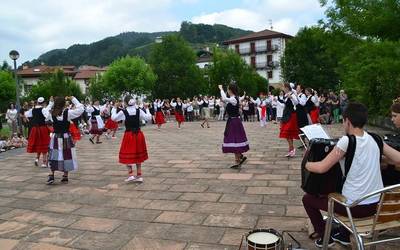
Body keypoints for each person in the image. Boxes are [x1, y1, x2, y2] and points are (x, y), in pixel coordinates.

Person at [302, 102, 400, 248]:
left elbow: (322, 168)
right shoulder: (376, 139)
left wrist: (306, 163)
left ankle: (325, 238)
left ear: (347, 121)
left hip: (355, 208)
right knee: (345, 188)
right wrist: (377, 157)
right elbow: (398, 159)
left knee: (308, 199)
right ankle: (344, 236)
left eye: (343, 121)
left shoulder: (346, 141)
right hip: (376, 206)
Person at [111, 97, 152, 183]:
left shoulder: (123, 111)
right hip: (138, 134)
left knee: (127, 153)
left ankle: (131, 175)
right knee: (138, 154)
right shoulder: (139, 110)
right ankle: (139, 175)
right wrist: (147, 109)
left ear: (125, 103)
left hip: (129, 135)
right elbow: (148, 118)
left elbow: (113, 118)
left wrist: (114, 108)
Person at [47, 96, 84, 184]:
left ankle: (51, 175)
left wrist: (51, 103)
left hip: (56, 136)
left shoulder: (51, 113)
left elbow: (45, 112)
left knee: (54, 155)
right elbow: (81, 109)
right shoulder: (68, 113)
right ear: (64, 104)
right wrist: (74, 99)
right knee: (66, 154)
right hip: (65, 136)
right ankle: (65, 176)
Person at [219, 84, 249, 169]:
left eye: (228, 89)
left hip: (234, 121)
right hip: (234, 121)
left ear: (230, 90)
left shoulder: (233, 99)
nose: (227, 91)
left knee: (234, 139)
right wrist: (244, 95)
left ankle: (238, 160)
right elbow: (240, 98)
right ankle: (240, 157)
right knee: (234, 139)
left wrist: (221, 89)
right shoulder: (236, 98)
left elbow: (224, 99)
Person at [25, 97, 54, 167]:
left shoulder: (32, 110)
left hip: (35, 129)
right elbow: (48, 116)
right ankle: (44, 162)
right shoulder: (43, 109)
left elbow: (26, 114)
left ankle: (37, 159)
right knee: (44, 143)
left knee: (38, 143)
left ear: (37, 102)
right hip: (42, 128)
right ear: (43, 103)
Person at [279, 83, 299, 157]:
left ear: (287, 88)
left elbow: (297, 102)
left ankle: (292, 149)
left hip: (291, 115)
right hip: (286, 115)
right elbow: (285, 105)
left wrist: (291, 97)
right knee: (287, 134)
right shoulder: (286, 95)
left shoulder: (292, 94)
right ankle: (291, 149)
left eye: (283, 87)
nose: (283, 89)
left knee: (288, 132)